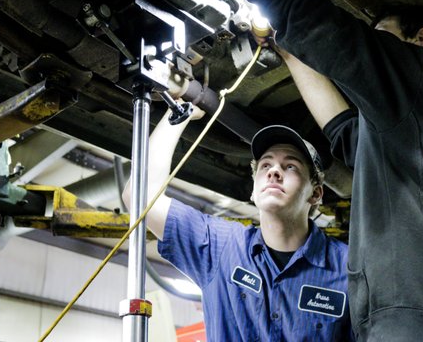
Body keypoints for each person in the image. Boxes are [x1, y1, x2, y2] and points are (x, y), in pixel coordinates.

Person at [178, 0, 423, 341]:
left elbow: (329, 34)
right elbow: (346, 132)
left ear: (421, 40)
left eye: (383, 42)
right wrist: (289, 50)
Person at [123, 106, 353, 341]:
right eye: (265, 165)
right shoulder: (220, 246)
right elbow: (140, 198)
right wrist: (181, 109)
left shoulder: (349, 268)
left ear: (315, 194)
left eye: (290, 166)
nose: (274, 171)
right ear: (253, 191)